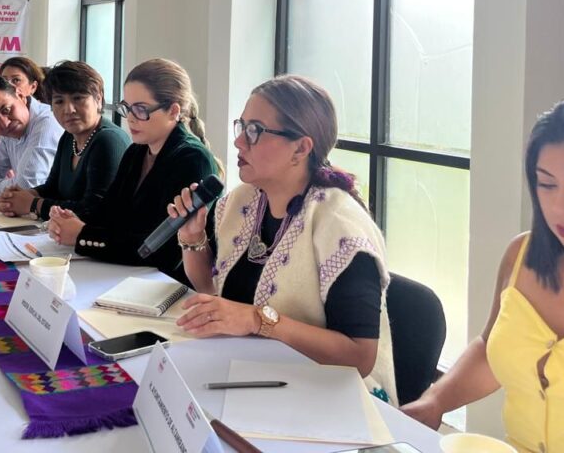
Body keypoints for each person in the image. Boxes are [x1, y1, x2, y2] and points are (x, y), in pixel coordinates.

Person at [402, 91, 564, 451]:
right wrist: (435, 401)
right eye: (546, 184)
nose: (561, 207)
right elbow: (491, 349)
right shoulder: (523, 255)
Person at [167, 75, 397, 403]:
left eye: (255, 131)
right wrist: (192, 237)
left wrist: (257, 320)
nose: (239, 142)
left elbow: (358, 357)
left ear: (301, 148)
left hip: (332, 397)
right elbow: (210, 289)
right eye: (241, 126)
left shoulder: (340, 227)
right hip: (253, 378)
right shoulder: (243, 201)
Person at [46, 58, 218, 284]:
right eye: (127, 108)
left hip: (166, 284)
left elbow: (162, 250)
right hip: (127, 274)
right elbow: (108, 213)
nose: (130, 119)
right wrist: (68, 220)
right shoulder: (137, 151)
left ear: (173, 111)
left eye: (141, 109)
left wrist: (83, 235)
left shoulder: (192, 159)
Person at [0, 61, 130, 220]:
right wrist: (21, 196)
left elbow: (94, 211)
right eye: (59, 101)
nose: (69, 110)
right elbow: (53, 188)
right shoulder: (68, 137)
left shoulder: (108, 140)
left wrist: (33, 204)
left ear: (98, 99)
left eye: (78, 98)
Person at [0, 76, 62, 197]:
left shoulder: (47, 124)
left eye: (6, 110)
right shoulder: (11, 128)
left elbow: (26, 186)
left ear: (20, 95)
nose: (5, 124)